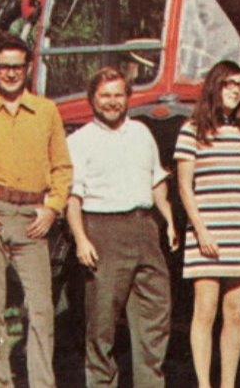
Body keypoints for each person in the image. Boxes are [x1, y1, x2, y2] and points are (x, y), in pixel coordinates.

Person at [0, 33, 73, 387]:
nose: (10, 74)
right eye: (3, 67)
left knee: (40, 309)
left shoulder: (46, 111)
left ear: (28, 68)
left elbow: (62, 168)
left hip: (32, 220)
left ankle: (41, 382)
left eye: (17, 67)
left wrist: (52, 208)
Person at [65, 67, 178, 387]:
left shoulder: (142, 132)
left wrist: (168, 219)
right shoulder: (80, 141)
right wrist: (81, 240)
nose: (112, 102)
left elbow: (156, 181)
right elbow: (72, 197)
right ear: (92, 99)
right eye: (105, 96)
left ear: (128, 97)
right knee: (102, 324)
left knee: (155, 318)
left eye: (118, 95)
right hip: (102, 231)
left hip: (144, 229)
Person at [174, 60, 240, 388]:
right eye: (228, 84)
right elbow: (185, 186)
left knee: (234, 314)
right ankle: (204, 383)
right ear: (214, 88)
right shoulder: (192, 130)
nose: (235, 90)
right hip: (206, 236)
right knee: (205, 311)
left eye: (239, 85)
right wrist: (200, 230)